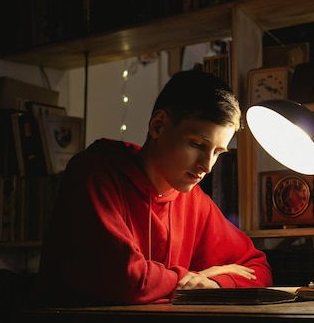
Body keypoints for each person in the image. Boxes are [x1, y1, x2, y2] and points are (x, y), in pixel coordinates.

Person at [32, 70, 273, 305]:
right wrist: (188, 280)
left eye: (218, 152)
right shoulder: (93, 173)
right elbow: (126, 279)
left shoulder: (194, 200)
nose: (207, 166)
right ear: (158, 125)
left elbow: (257, 269)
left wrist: (216, 284)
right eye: (197, 144)